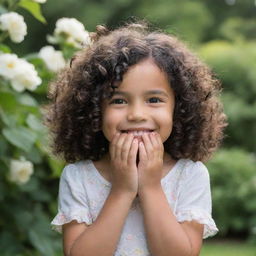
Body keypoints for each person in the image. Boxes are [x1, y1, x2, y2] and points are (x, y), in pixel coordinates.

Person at [44, 21, 227, 256]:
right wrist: (121, 191)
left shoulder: (190, 175)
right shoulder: (78, 176)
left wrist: (150, 188)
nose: (137, 115)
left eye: (154, 100)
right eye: (119, 101)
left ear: (179, 109)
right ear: (94, 111)